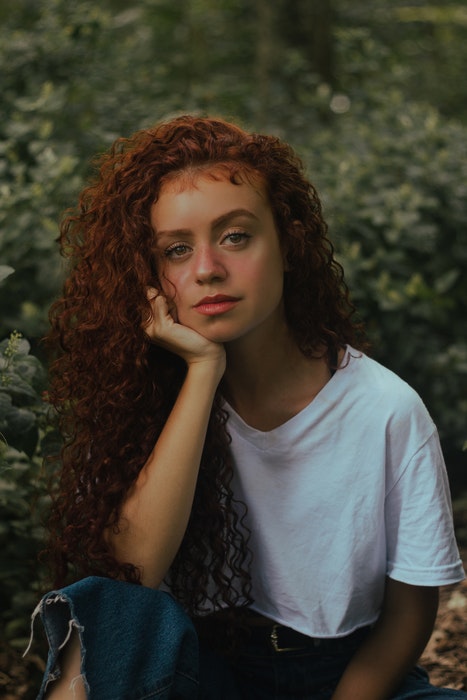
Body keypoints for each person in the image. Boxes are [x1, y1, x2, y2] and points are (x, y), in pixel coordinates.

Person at [31, 115, 465, 699]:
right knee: (101, 617)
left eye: (235, 236)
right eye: (177, 250)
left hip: (349, 678)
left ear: (288, 245)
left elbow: (409, 615)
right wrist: (203, 372)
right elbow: (134, 573)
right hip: (210, 671)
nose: (207, 268)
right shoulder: (147, 402)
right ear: (151, 279)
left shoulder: (385, 409)